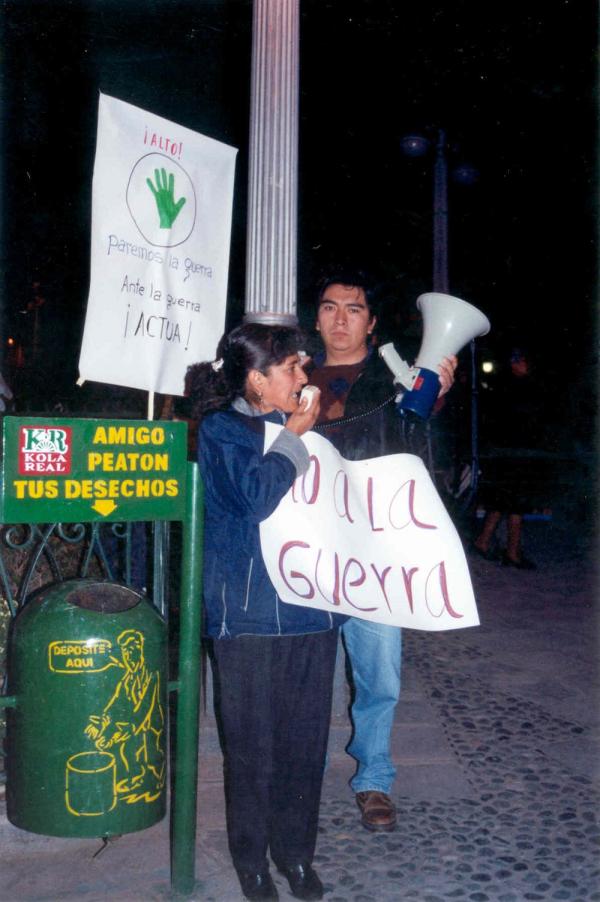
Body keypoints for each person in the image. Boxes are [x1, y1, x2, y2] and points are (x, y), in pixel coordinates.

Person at [186, 323, 345, 902]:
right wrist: (295, 436)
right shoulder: (223, 430)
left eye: (303, 366)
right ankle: (252, 862)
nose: (304, 376)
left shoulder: (311, 429)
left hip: (312, 611)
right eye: (291, 368)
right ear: (256, 379)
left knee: (305, 746)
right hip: (249, 614)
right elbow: (254, 496)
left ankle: (296, 855)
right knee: (252, 749)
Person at [305, 267, 456, 833]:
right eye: (329, 307)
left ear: (371, 323)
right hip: (308, 552)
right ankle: (302, 773)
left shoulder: (395, 376)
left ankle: (374, 779)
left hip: (374, 555)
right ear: (316, 317)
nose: (340, 319)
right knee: (307, 674)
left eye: (354, 309)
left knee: (379, 676)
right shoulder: (291, 375)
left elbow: (417, 432)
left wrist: (436, 394)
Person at [472, 347, 544, 569]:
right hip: (513, 453)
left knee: (501, 502)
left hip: (509, 452)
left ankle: (483, 542)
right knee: (515, 505)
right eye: (516, 360)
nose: (519, 364)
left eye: (521, 360)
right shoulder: (515, 387)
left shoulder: (515, 385)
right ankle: (511, 553)